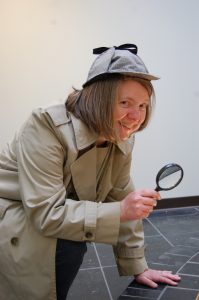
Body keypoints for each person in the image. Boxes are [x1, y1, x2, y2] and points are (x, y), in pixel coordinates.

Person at [0, 43, 181, 300]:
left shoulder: (121, 138)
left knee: (72, 240)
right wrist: (121, 210)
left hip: (53, 212)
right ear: (98, 98)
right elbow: (45, 212)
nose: (135, 116)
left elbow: (121, 195)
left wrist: (138, 266)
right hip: (16, 212)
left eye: (142, 105)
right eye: (125, 102)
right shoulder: (45, 125)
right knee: (65, 247)